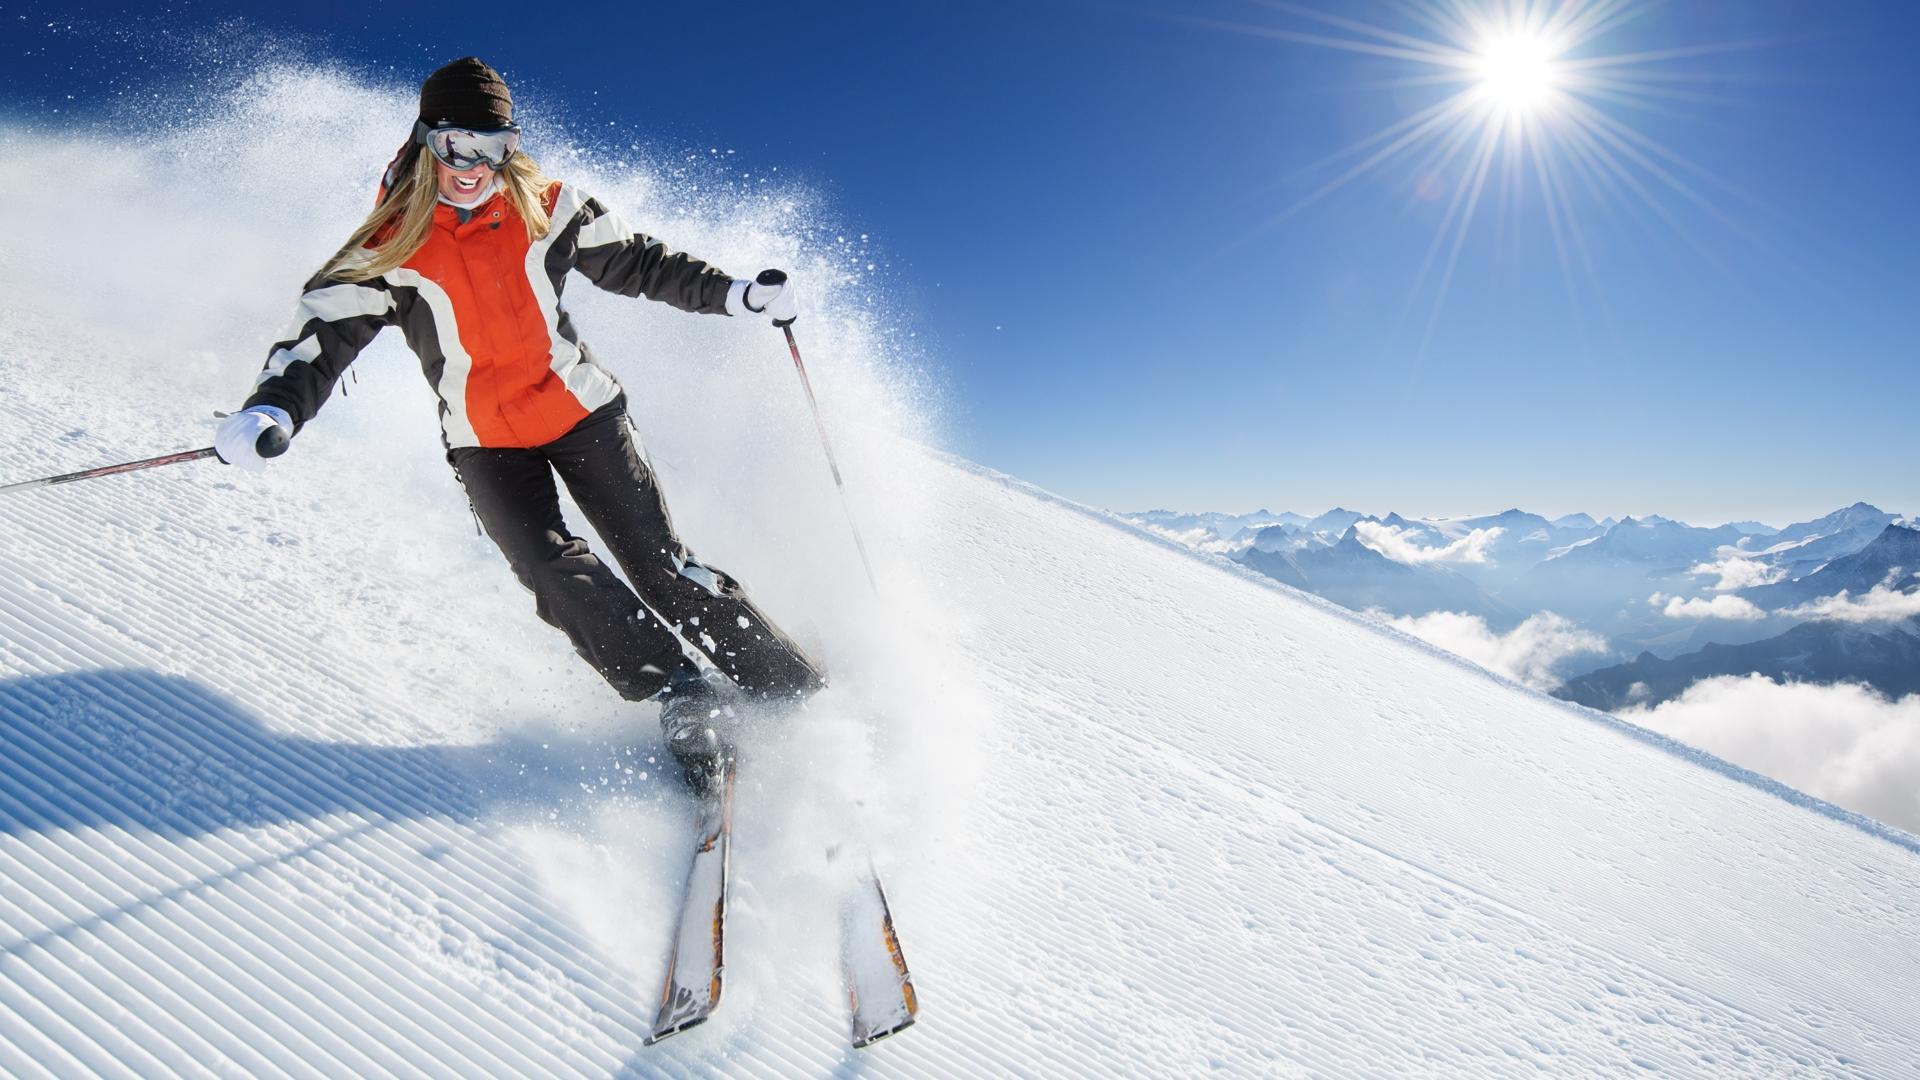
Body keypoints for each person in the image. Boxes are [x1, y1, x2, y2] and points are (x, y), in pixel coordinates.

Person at [215, 57, 824, 798]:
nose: (475, 166)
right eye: (456, 145)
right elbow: (321, 336)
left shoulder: (549, 205)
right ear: (423, 141)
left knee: (658, 563)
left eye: (494, 146)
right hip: (485, 441)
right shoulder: (387, 246)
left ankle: (786, 685)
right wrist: (272, 408)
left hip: (579, 413)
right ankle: (682, 697)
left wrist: (735, 296)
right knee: (549, 571)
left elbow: (639, 264)